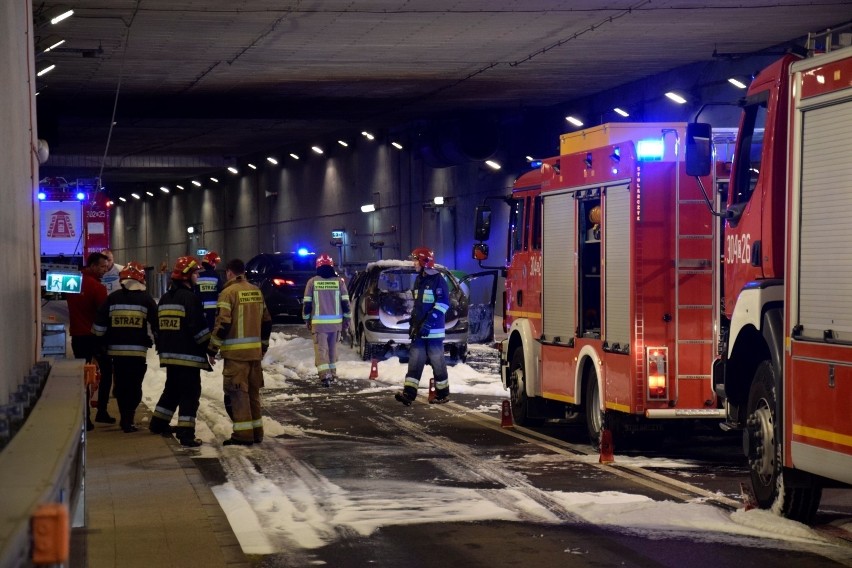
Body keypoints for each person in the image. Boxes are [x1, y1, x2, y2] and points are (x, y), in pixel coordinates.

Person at [207, 258, 272, 446]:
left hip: (236, 356)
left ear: (229, 272)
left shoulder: (228, 293)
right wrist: (264, 346)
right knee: (253, 393)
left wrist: (212, 348)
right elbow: (267, 321)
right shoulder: (256, 291)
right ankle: (257, 432)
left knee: (238, 395)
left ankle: (243, 435)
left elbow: (223, 324)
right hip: (254, 354)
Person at [149, 256, 211, 447]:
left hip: (170, 355)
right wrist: (209, 348)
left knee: (172, 390)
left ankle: (158, 423)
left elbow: (158, 328)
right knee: (190, 394)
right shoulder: (190, 299)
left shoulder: (166, 298)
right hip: (188, 357)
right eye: (195, 273)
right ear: (186, 276)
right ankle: (186, 434)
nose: (197, 277)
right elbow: (198, 329)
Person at [91, 262, 158, 432]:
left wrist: (99, 346)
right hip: (137, 354)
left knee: (121, 385)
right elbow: (158, 325)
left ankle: (124, 419)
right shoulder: (147, 300)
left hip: (117, 354)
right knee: (134, 387)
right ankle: (128, 419)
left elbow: (99, 326)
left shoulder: (112, 299)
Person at [395, 247, 450, 406]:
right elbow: (419, 305)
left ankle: (442, 394)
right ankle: (409, 394)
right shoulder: (420, 279)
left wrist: (429, 322)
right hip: (420, 330)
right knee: (415, 361)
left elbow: (443, 304)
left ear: (424, 261)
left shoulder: (438, 280)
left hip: (433, 330)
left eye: (415, 260)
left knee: (437, 361)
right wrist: (414, 323)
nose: (413, 263)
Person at [67, 252, 111, 429]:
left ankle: (85, 416)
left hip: (77, 337)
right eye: (101, 267)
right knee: (107, 371)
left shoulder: (73, 283)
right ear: (92, 265)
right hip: (95, 338)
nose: (104, 270)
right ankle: (102, 411)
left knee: (83, 376)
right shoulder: (98, 288)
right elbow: (104, 315)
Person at [302, 254, 350, 387]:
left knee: (321, 350)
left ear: (317, 266)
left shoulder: (312, 282)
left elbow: (307, 304)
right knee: (333, 349)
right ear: (331, 266)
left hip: (319, 326)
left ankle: (325, 376)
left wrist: (307, 320)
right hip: (336, 325)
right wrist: (347, 319)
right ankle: (333, 373)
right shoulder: (339, 282)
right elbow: (346, 303)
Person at [197, 251, 223, 330]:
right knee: (211, 329)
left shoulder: (198, 275)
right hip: (213, 309)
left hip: (199, 308)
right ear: (212, 263)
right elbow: (220, 291)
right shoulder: (216, 275)